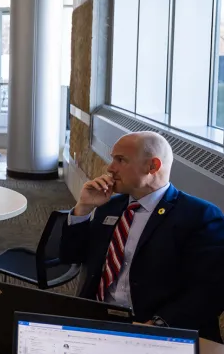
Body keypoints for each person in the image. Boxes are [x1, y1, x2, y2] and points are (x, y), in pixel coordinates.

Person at [60, 131, 224, 341]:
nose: (110, 168)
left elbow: (210, 291)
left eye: (121, 160)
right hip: (99, 319)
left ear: (152, 167)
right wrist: (82, 208)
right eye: (113, 159)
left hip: (157, 327)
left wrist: (157, 324)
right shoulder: (109, 207)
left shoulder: (200, 216)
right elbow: (71, 256)